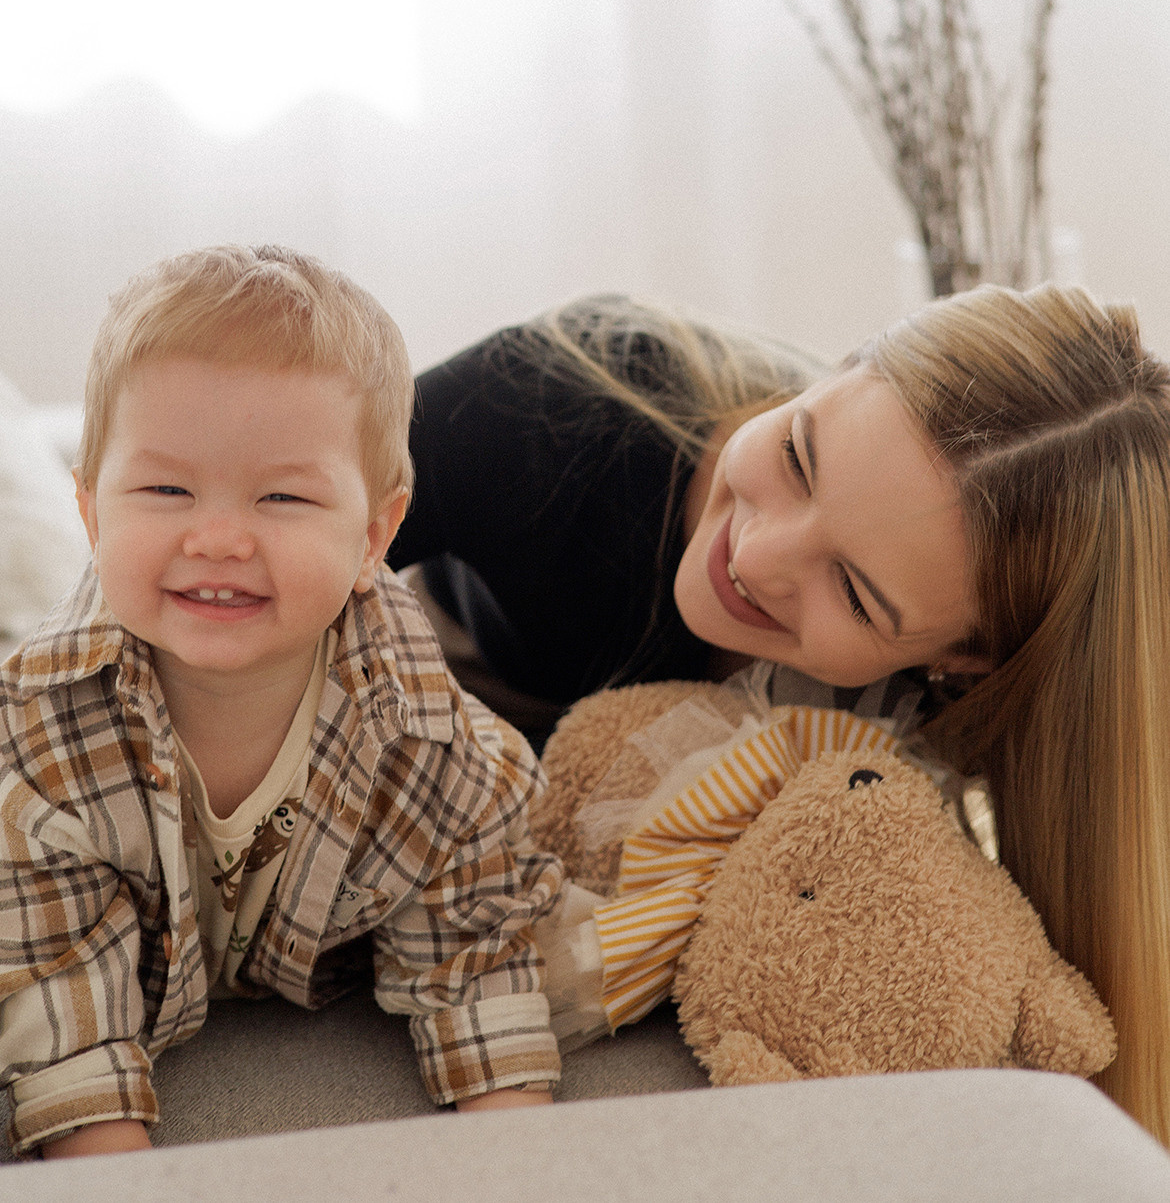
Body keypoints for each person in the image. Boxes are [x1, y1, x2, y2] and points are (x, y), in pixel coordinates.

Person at [390, 289, 1170, 1147]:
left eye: (855, 594)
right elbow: (268, 544)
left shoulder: (926, 720)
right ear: (839, 367)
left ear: (960, 663)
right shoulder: (552, 406)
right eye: (799, 456)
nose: (755, 557)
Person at [0, 247, 563, 1159]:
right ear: (93, 510)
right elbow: (48, 992)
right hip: (90, 948)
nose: (218, 537)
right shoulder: (28, 739)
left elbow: (478, 954)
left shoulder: (432, 739)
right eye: (166, 489)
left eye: (284, 496)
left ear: (375, 532)